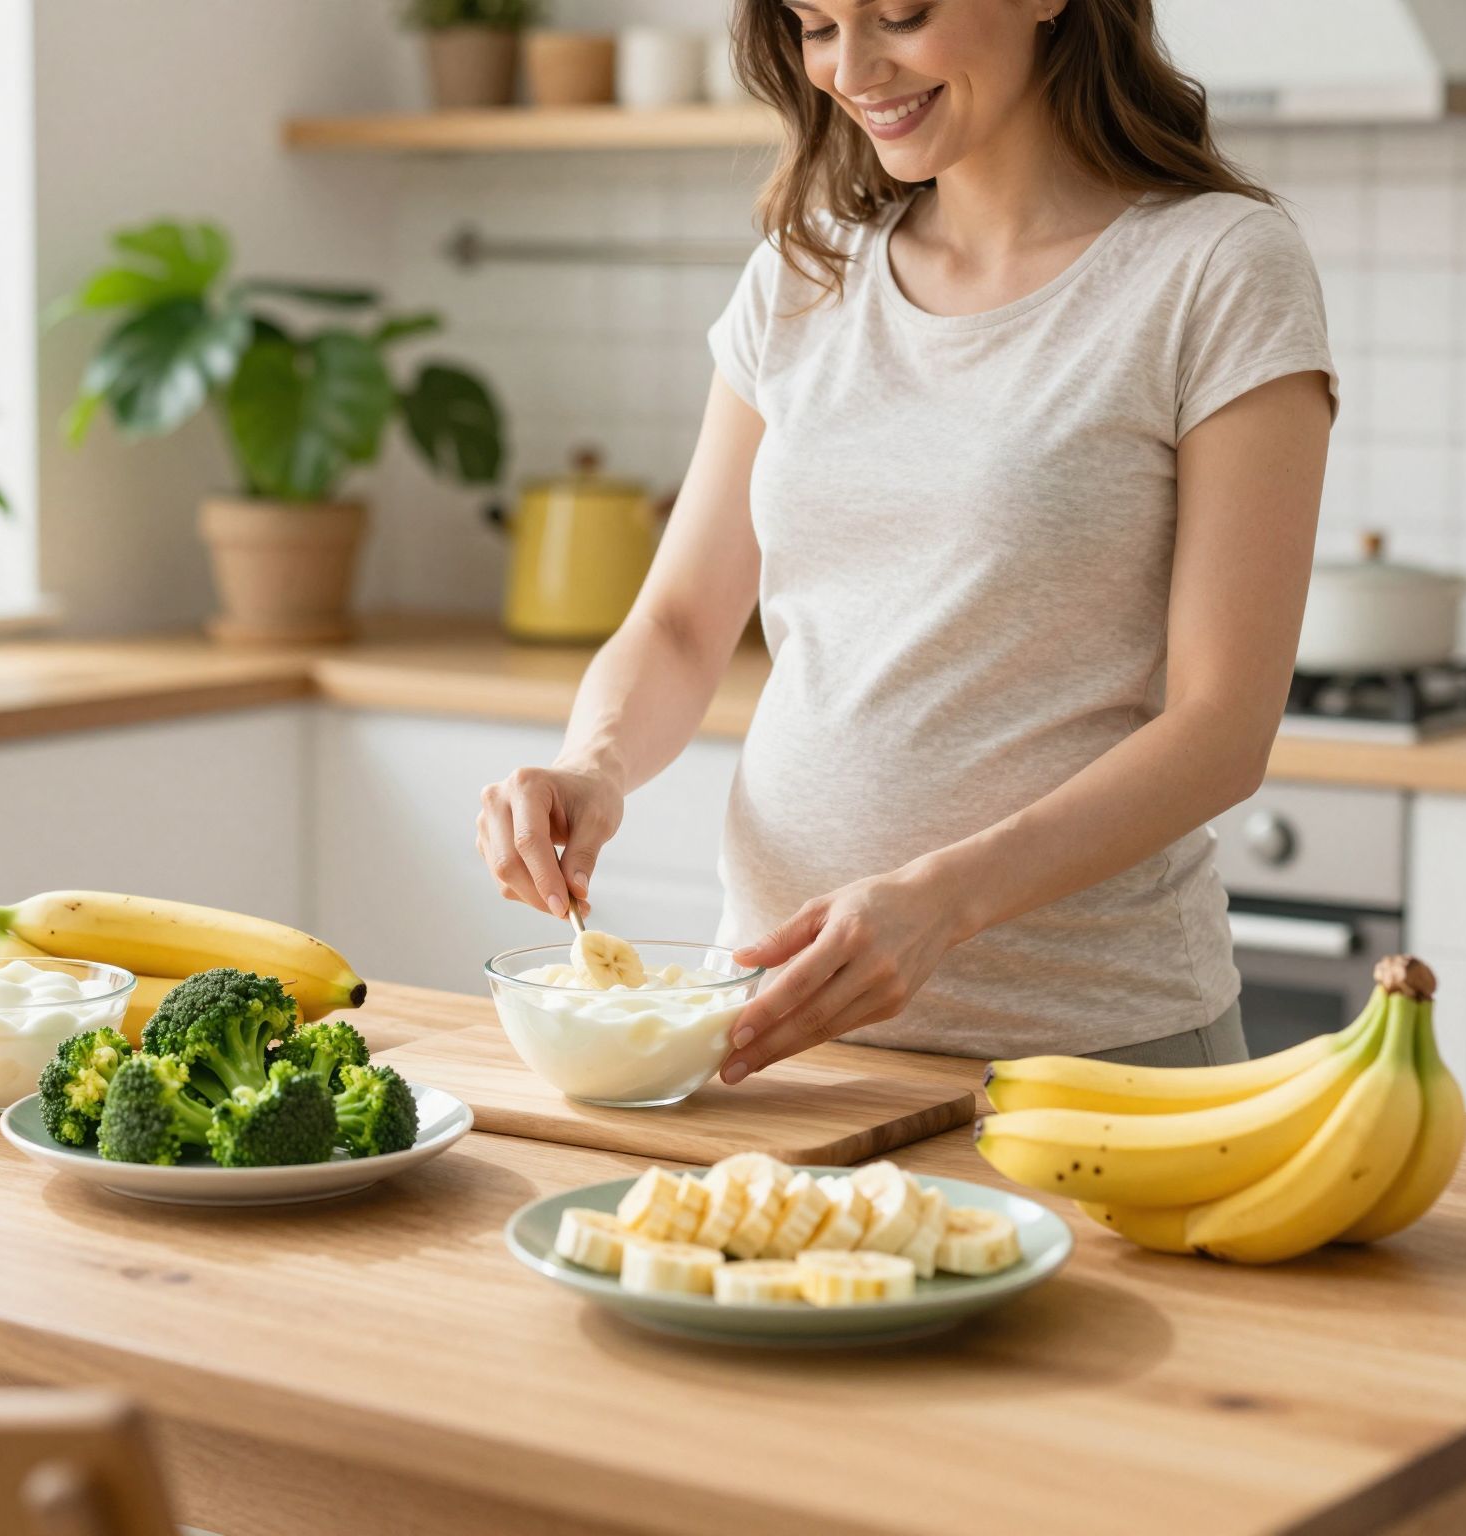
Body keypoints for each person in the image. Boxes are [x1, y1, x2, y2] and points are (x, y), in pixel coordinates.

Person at [476, 0, 1336, 1086]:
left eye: (899, 14)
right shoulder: (801, 272)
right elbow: (684, 622)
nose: (853, 69)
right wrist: (590, 766)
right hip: (778, 1037)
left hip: (1094, 1058)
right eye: (815, 25)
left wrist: (943, 903)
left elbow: (1222, 729)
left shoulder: (1215, 268)